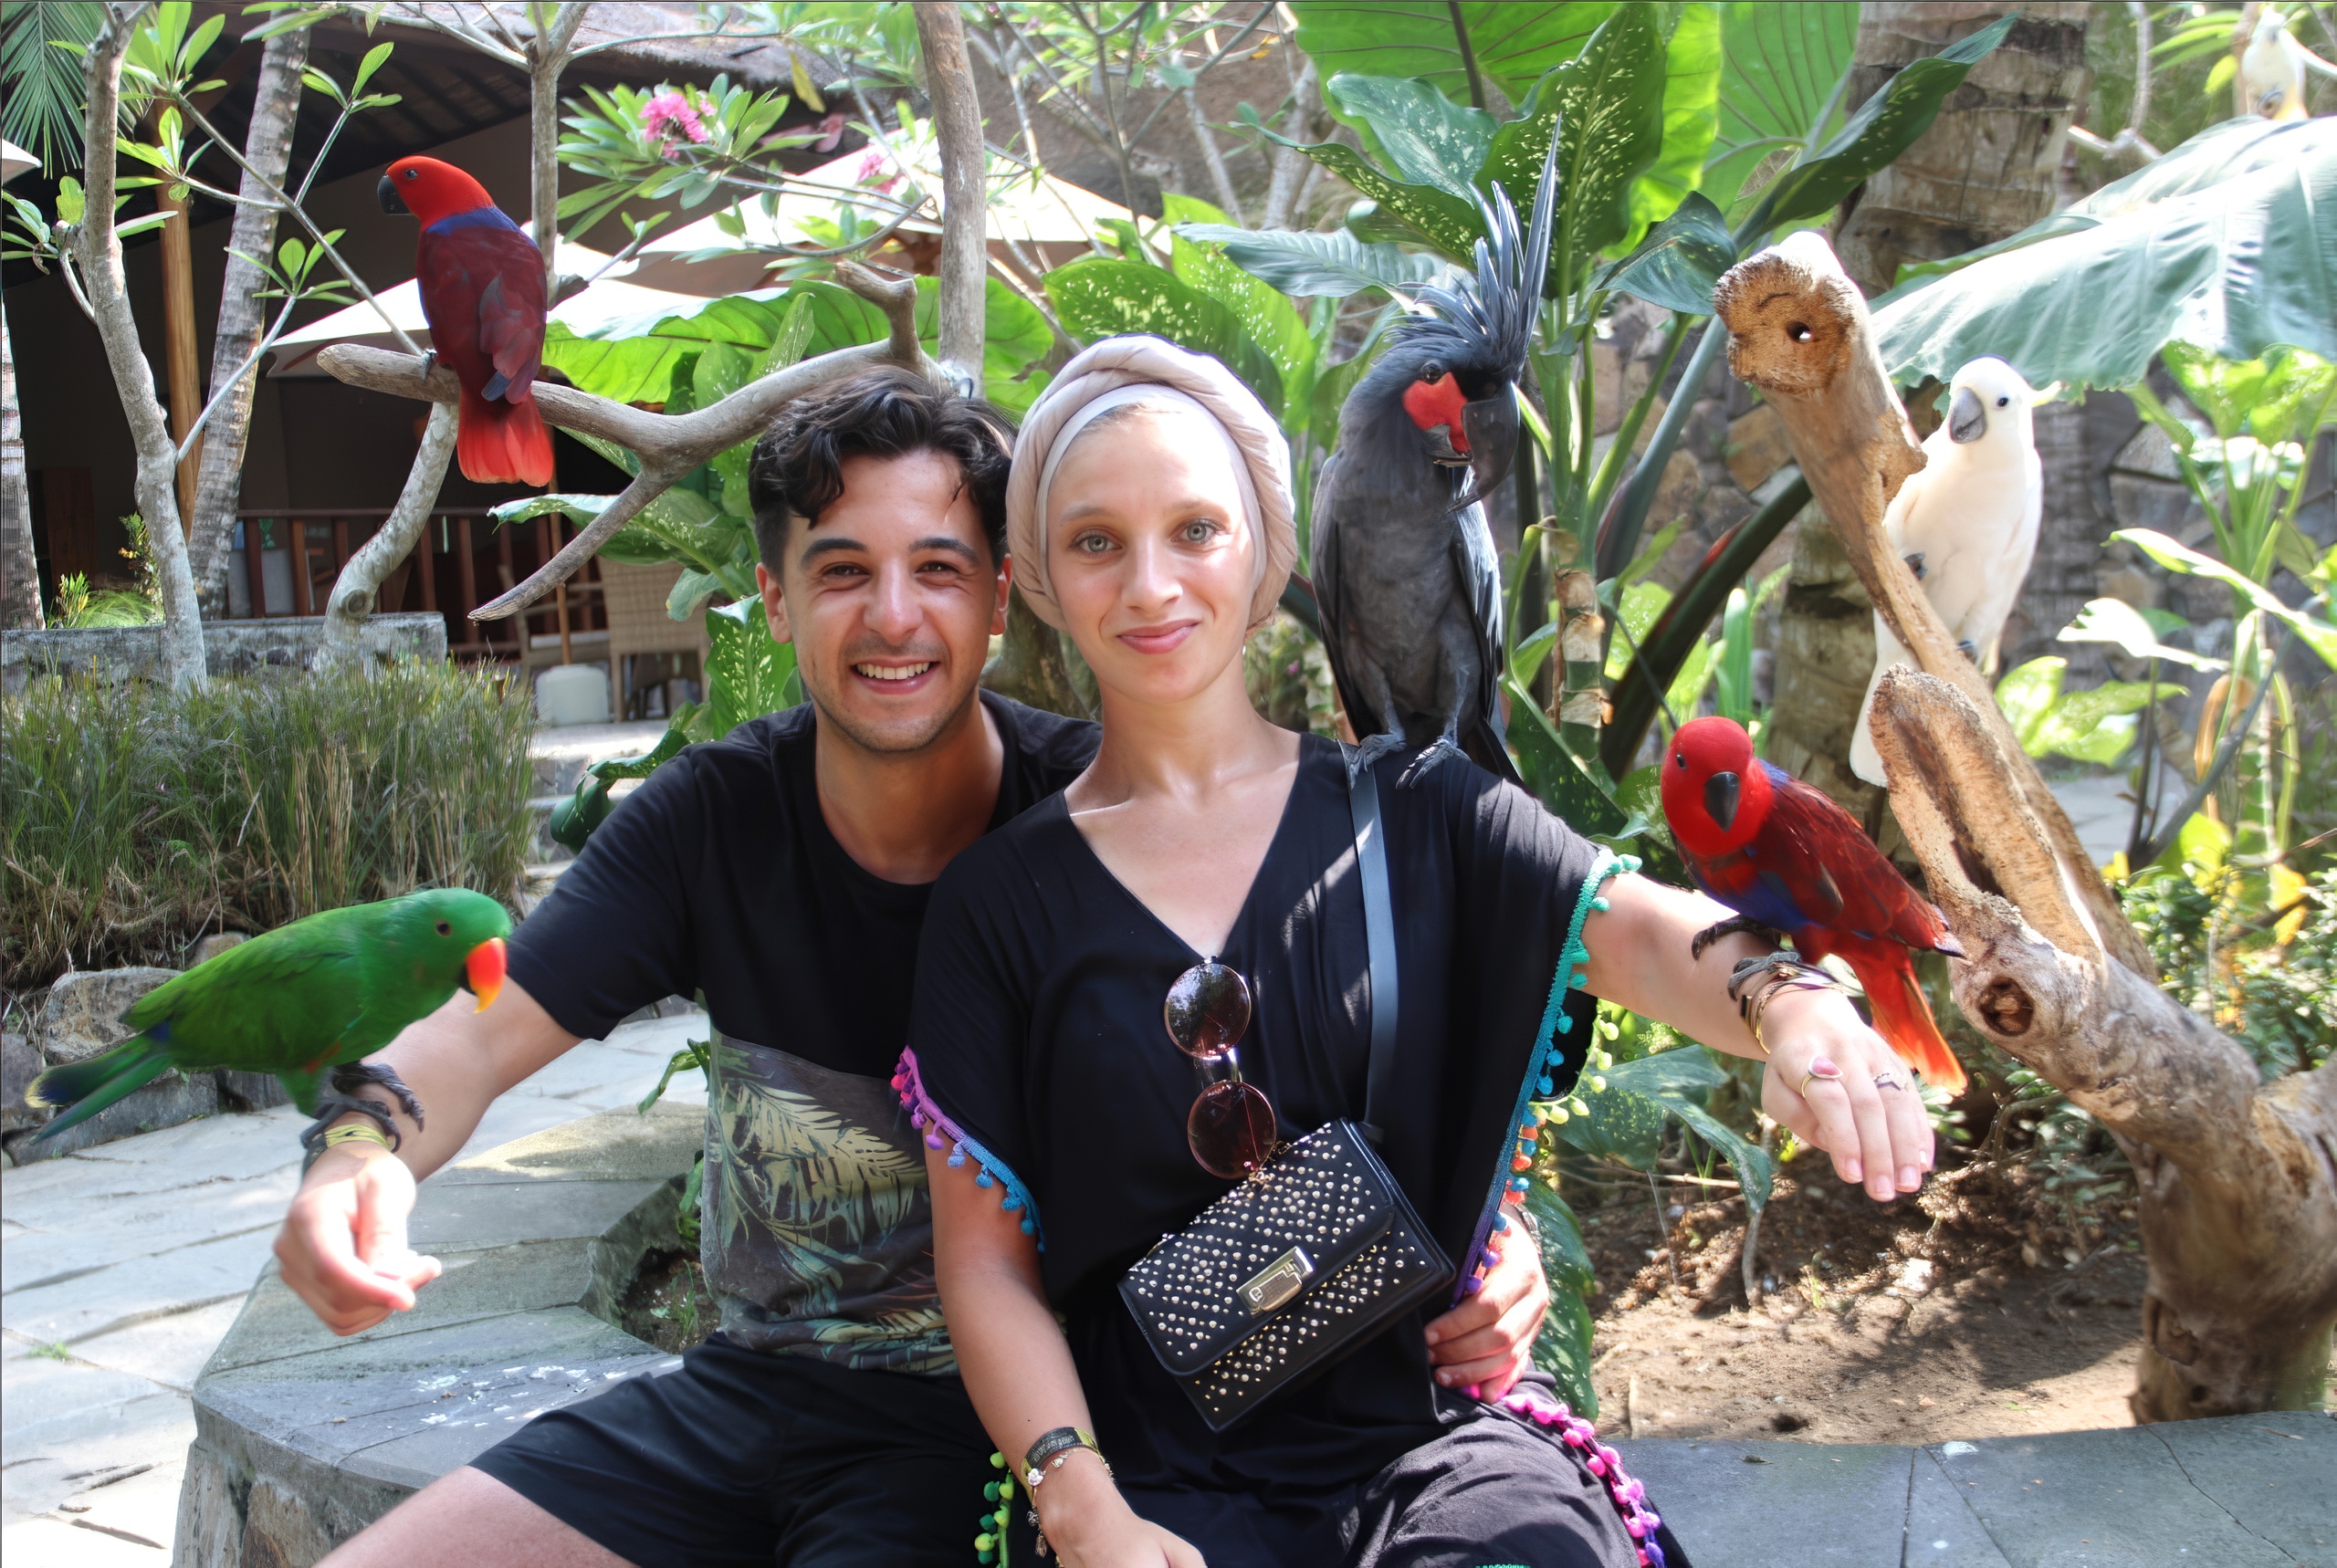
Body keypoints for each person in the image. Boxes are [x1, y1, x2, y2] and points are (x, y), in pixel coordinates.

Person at [275, 366, 1556, 1568]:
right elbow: (483, 1032)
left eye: (938, 569)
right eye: (841, 572)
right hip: (749, 1387)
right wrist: (356, 1161)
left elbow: (1342, 1062)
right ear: (774, 601)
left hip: (998, 1434)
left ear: (1003, 595)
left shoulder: (1107, 826)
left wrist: (1485, 1241)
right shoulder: (712, 820)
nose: (894, 616)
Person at [905, 337, 1940, 1568]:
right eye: (1096, 542)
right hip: (1147, 1474)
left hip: (1427, 1432)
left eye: (1194, 529)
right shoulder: (995, 903)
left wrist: (1789, 1000)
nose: (1149, 585)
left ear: (1265, 549)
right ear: (1037, 575)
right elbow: (985, 1272)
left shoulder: (1420, 810)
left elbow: (1647, 935)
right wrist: (1080, 1506)